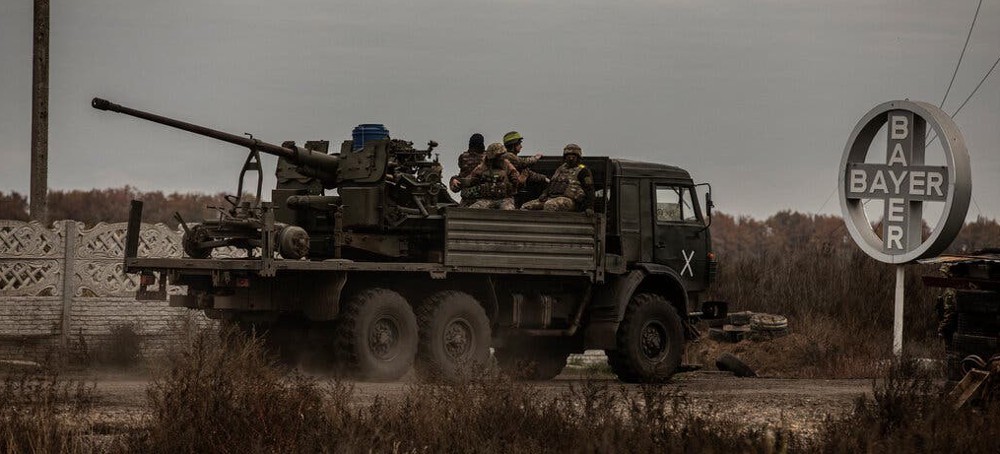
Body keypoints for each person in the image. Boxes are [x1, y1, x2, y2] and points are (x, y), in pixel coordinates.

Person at [521, 143, 594, 212]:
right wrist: (544, 194)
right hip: (553, 197)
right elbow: (551, 184)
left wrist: (589, 207)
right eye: (568, 155)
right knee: (526, 206)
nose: (571, 158)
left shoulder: (583, 170)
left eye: (573, 156)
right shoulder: (560, 169)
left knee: (550, 205)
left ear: (578, 157)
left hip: (570, 200)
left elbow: (589, 189)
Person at [459, 143, 522, 210]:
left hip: (505, 199)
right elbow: (471, 180)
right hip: (486, 199)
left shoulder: (507, 165)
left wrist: (512, 183)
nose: (500, 159)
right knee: (475, 209)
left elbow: (517, 180)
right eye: (498, 157)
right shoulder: (482, 167)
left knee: (508, 209)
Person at [449, 133, 487, 206]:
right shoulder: (486, 156)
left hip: (482, 197)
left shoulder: (487, 157)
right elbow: (462, 175)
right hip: (468, 196)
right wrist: (454, 180)